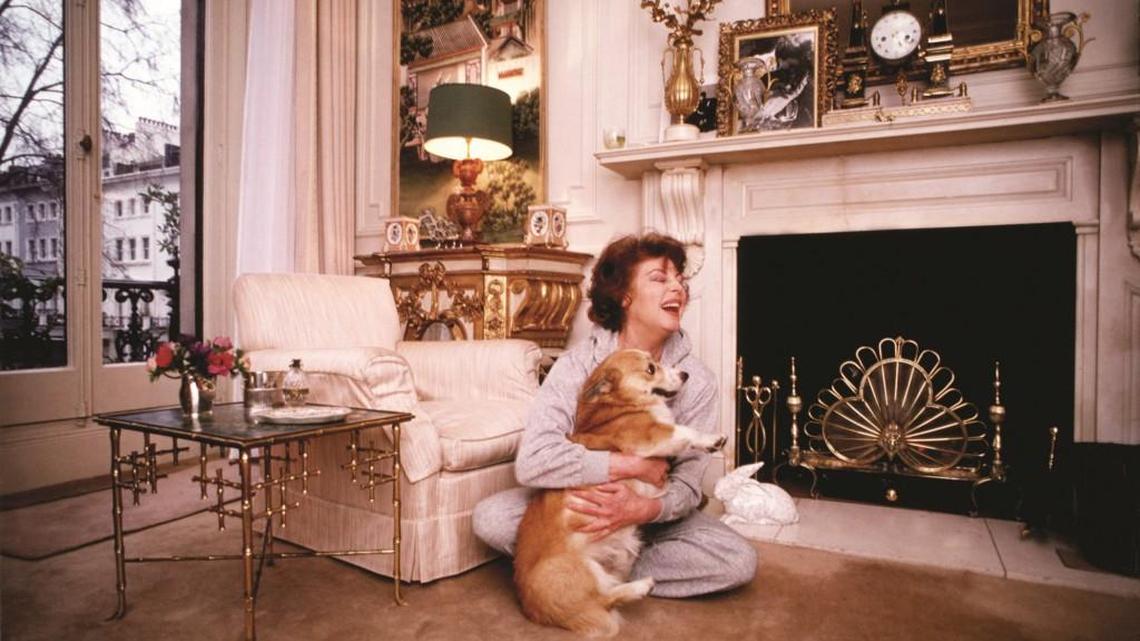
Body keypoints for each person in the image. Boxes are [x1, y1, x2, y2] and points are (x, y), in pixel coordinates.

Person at [473, 232, 757, 597]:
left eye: (680, 280)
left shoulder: (697, 380)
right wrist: (630, 467)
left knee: (737, 560)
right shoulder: (577, 365)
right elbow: (533, 462)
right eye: (660, 278)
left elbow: (687, 486)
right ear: (624, 295)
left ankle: (588, 573)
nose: (678, 289)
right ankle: (591, 567)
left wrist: (641, 509)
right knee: (491, 517)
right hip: (580, 508)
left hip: (650, 517)